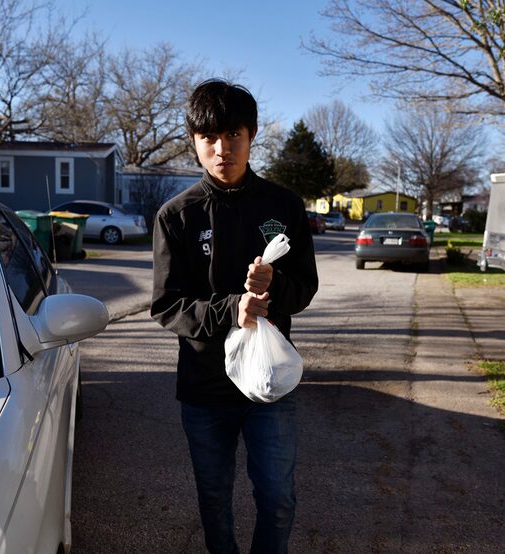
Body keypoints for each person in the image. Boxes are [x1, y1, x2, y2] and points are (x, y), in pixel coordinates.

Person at [151, 79, 318, 553]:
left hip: (270, 380)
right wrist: (232, 309)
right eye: (209, 137)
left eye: (234, 135)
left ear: (252, 135)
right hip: (205, 388)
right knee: (214, 499)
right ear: (194, 141)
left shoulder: (282, 205)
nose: (222, 148)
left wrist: (274, 288)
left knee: (279, 499)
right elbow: (166, 306)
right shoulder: (176, 216)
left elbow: (305, 287)